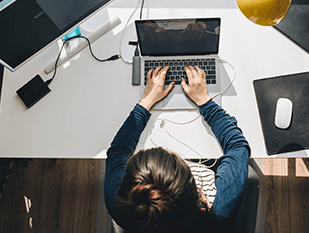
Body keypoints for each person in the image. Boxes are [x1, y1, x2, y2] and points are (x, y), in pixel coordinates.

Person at [104, 65, 250, 233]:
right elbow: (238, 146)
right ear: (194, 186)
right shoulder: (218, 207)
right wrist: (205, 102)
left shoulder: (118, 201)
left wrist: (147, 101)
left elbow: (118, 150)